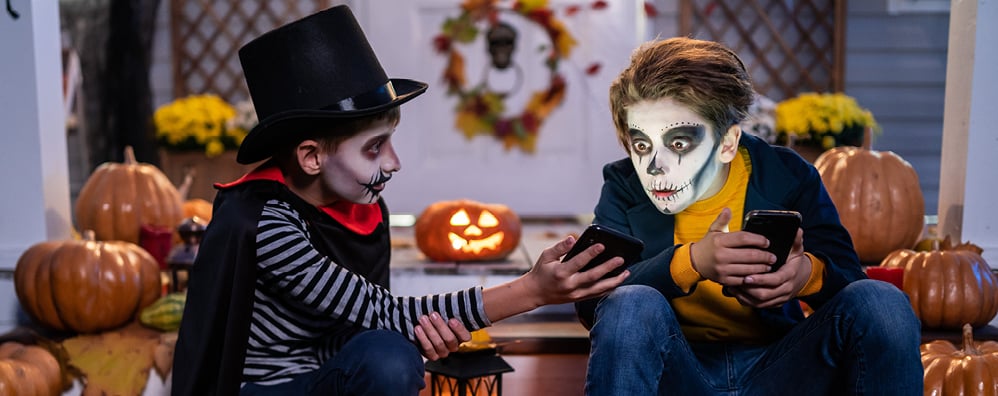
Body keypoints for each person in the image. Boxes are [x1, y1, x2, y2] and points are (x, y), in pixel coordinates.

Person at [171, 5, 628, 396]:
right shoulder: (266, 222)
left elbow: (375, 320)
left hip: (333, 375)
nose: (394, 163)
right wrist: (533, 290)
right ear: (311, 156)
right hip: (272, 390)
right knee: (389, 354)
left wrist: (423, 330)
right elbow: (387, 312)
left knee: (390, 349)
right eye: (374, 147)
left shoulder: (364, 208)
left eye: (391, 141)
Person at [578, 37, 923, 395]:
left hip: (782, 370)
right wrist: (692, 261)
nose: (655, 165)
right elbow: (591, 301)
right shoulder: (624, 184)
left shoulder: (787, 174)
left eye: (679, 143)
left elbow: (850, 282)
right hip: (677, 373)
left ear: (727, 143)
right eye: (641, 144)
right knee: (631, 302)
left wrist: (806, 275)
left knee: (883, 302)